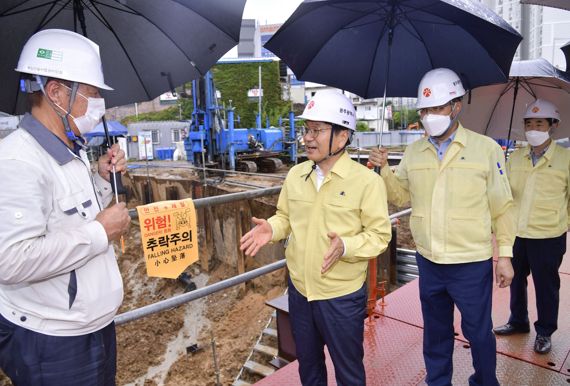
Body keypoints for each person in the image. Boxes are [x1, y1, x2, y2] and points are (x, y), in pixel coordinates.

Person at [0, 29, 131, 385]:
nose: (98, 103)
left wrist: (104, 181)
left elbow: (73, 220)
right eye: (91, 93)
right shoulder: (17, 160)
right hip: (53, 340)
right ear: (55, 92)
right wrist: (100, 232)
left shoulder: (72, 153)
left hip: (93, 327)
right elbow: (10, 260)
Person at [369, 68, 515, 386]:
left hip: (470, 263)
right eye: (425, 110)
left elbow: (502, 207)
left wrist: (504, 255)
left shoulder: (485, 149)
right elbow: (398, 196)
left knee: (478, 332)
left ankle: (485, 381)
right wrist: (383, 170)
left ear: (456, 106)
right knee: (435, 332)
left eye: (437, 108)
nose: (429, 116)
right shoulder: (414, 151)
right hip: (430, 260)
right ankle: (438, 381)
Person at [240, 91, 391, 386]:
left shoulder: (367, 182)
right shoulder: (296, 175)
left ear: (342, 135)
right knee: (308, 369)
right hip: (300, 292)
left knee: (349, 373)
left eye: (318, 130)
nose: (308, 138)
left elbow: (379, 235)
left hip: (341, 297)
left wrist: (346, 245)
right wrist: (272, 228)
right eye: (307, 129)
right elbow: (285, 217)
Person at [493, 99, 569, 354]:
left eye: (539, 123)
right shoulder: (514, 157)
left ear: (553, 126)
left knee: (546, 285)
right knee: (515, 280)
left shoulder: (565, 159)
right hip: (516, 233)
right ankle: (518, 321)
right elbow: (504, 193)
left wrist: (562, 223)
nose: (533, 128)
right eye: (528, 123)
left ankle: (545, 331)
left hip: (548, 235)